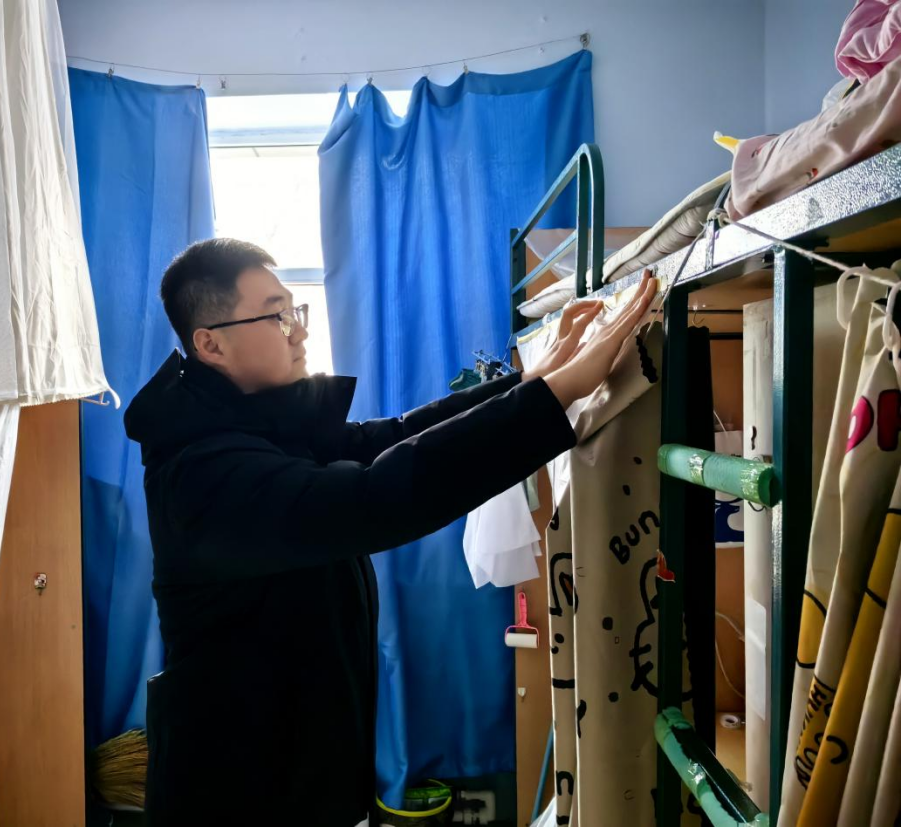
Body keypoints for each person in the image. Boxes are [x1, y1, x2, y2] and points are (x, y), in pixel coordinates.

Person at [123, 238, 657, 825]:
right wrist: (552, 399)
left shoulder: (258, 424)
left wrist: (530, 381)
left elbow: (393, 437)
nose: (299, 331)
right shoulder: (201, 472)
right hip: (236, 783)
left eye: (294, 311)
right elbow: (376, 497)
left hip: (293, 756)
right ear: (210, 343)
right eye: (276, 316)